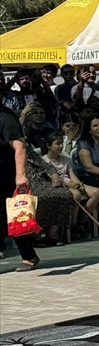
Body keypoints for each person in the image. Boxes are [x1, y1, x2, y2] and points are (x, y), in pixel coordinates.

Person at [1, 107, 39, 270]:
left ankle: (29, 256)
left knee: (14, 217)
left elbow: (19, 147)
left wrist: (21, 175)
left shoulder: (5, 118)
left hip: (5, 177)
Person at [43, 133, 99, 237]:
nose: (61, 146)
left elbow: (71, 174)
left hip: (71, 183)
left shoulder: (66, 158)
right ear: (48, 146)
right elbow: (51, 180)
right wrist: (70, 185)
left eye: (61, 144)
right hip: (59, 186)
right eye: (57, 144)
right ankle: (73, 225)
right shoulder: (44, 161)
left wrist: (78, 184)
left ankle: (82, 221)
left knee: (96, 192)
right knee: (76, 194)